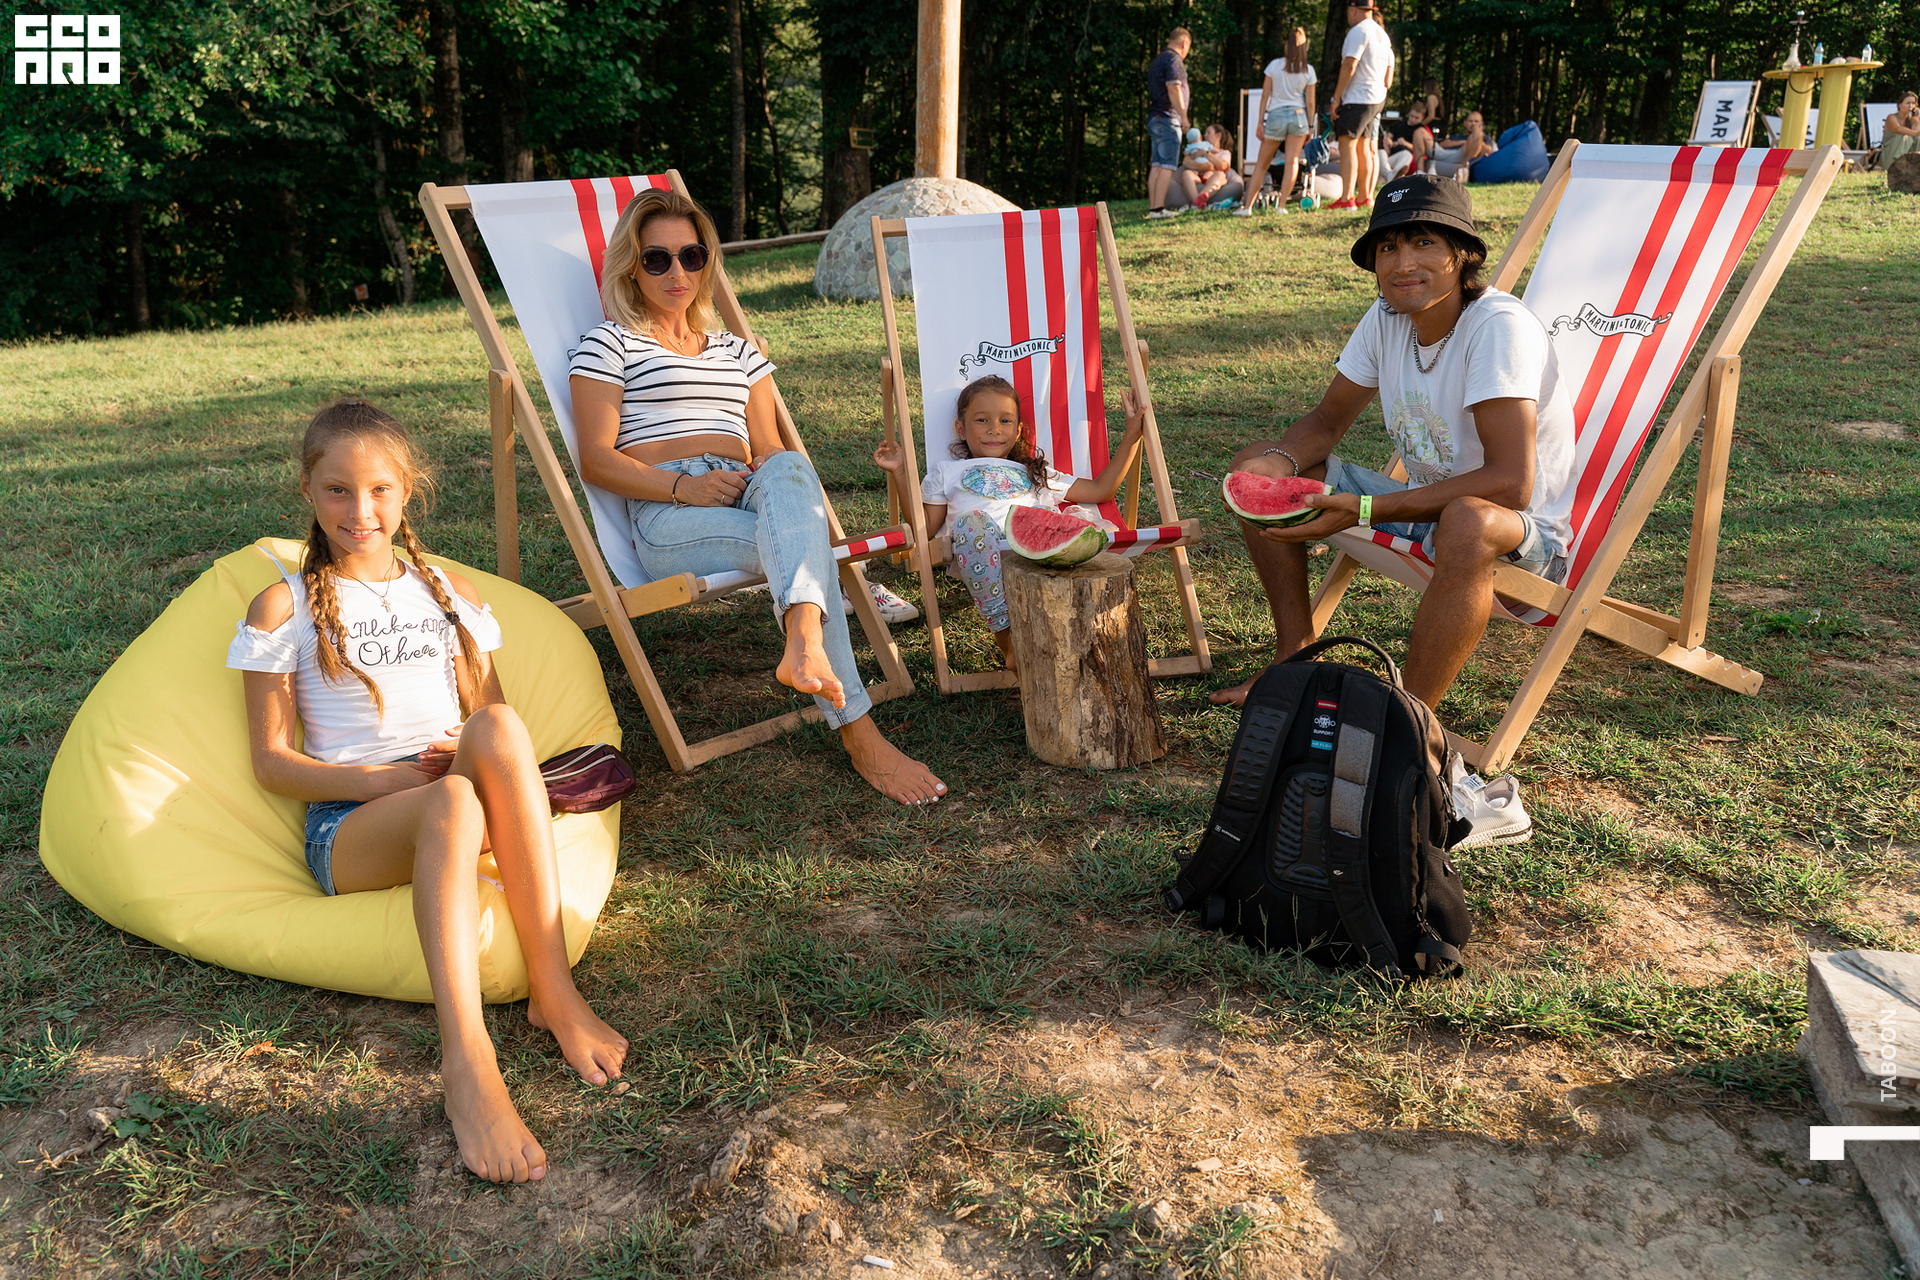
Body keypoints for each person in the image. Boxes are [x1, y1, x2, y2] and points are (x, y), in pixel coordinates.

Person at [230, 399, 629, 1184]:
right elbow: (271, 763)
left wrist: (458, 752)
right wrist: (379, 779)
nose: (360, 510)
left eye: (379, 489)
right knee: (451, 802)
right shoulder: (283, 605)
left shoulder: (446, 591)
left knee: (499, 728)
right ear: (307, 491)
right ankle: (466, 1061)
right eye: (338, 490)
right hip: (353, 824)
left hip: (456, 793)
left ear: (408, 490)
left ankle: (554, 990)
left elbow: (493, 727)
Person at [1210, 175, 1576, 839]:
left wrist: (1365, 510)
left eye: (1423, 243)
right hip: (1425, 511)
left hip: (1521, 539)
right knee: (1257, 463)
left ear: (1462, 255)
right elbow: (1326, 422)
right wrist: (1276, 466)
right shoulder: (1387, 318)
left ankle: (1405, 728)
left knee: (1467, 516)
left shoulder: (1497, 328)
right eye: (1388, 248)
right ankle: (1294, 662)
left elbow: (1509, 483)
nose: (1403, 262)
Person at [569, 188, 946, 806]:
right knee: (808, 551)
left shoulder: (739, 351)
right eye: (656, 258)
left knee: (792, 462)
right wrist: (683, 486)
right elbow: (596, 458)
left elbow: (767, 447)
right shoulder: (608, 344)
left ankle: (804, 643)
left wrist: (759, 475)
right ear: (631, 267)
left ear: (707, 262)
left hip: (746, 489)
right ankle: (861, 737)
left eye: (691, 256)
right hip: (669, 512)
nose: (676, 272)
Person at [872, 376, 1145, 673]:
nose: (994, 429)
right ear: (960, 429)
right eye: (982, 420)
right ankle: (1007, 639)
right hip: (977, 546)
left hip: (1040, 554)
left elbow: (1100, 490)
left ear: (1018, 431)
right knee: (972, 522)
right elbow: (924, 528)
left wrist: (1132, 435)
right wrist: (900, 472)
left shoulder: (1035, 472)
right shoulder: (946, 472)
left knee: (1070, 528)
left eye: (1005, 421)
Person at [1238, 27, 1318, 216]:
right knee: (1292, 162)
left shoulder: (1274, 66)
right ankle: (1281, 206)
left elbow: (1265, 95)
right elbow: (1310, 102)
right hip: (1298, 117)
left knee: (1262, 164)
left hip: (1276, 116)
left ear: (1286, 45)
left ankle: (1247, 207)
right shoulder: (1308, 70)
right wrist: (1310, 126)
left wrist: (1260, 122)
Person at [1329, 1, 1395, 209]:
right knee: (1365, 146)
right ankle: (1365, 197)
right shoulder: (1382, 34)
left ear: (1353, 10)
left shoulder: (1358, 31)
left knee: (1347, 144)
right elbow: (1388, 76)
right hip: (1377, 98)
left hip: (1358, 97)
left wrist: (1336, 98)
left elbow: (1350, 65)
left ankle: (1347, 198)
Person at [1145, 28, 1194, 220]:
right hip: (1167, 118)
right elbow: (1174, 89)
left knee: (1157, 164)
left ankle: (1153, 208)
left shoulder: (1158, 59)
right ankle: (1158, 209)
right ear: (1184, 44)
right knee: (1168, 165)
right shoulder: (1173, 60)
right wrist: (1184, 116)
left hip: (1155, 117)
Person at [1175, 124, 1243, 210]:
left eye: (1208, 133)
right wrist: (1204, 166)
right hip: (1198, 177)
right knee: (1186, 174)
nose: (1205, 135)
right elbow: (1186, 162)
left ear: (1218, 135)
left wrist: (1206, 154)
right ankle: (1197, 202)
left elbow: (1223, 166)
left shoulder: (1224, 152)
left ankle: (1202, 197)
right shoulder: (1197, 148)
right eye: (1205, 133)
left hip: (1212, 178)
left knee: (1220, 175)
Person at [1432, 110, 1497, 182]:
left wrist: (1477, 138)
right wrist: (1463, 142)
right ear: (1465, 123)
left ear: (1482, 124)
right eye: (1470, 121)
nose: (1473, 124)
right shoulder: (1457, 137)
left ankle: (1465, 168)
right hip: (1455, 163)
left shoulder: (1486, 139)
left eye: (1476, 121)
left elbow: (1488, 152)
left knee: (1478, 134)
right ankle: (1464, 169)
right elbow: (1442, 144)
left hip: (1475, 166)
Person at [1878, 91, 1920, 170]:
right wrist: (1916, 133)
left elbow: (1917, 135)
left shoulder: (1912, 119)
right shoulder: (1891, 117)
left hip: (1907, 152)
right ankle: (1896, 166)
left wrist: (1918, 118)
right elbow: (1897, 129)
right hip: (1890, 151)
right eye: (1908, 103)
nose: (1910, 106)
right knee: (1902, 137)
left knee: (1918, 139)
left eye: (1913, 103)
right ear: (1899, 105)